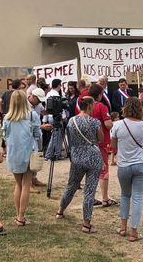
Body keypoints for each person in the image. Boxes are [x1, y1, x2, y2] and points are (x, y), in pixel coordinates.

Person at [56, 97, 103, 233]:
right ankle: (86, 224)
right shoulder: (94, 122)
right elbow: (101, 139)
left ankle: (60, 211)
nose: (94, 106)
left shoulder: (72, 120)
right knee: (89, 191)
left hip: (77, 157)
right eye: (93, 104)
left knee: (71, 185)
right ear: (89, 105)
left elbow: (68, 137)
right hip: (93, 157)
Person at [111, 97, 143, 242]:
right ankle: (134, 231)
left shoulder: (118, 125)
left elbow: (113, 147)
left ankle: (122, 227)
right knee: (138, 197)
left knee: (125, 195)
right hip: (140, 162)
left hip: (124, 164)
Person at [3, 90, 42, 226]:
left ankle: (17, 214)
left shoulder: (7, 117)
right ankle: (21, 216)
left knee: (18, 184)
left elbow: (5, 136)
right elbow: (37, 134)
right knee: (26, 184)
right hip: (28, 153)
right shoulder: (32, 115)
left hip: (14, 153)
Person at [87, 84, 116, 207]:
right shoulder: (101, 106)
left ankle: (91, 197)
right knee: (103, 170)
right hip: (101, 142)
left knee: (91, 170)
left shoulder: (86, 106)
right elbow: (108, 124)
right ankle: (105, 198)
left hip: (88, 142)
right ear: (99, 95)